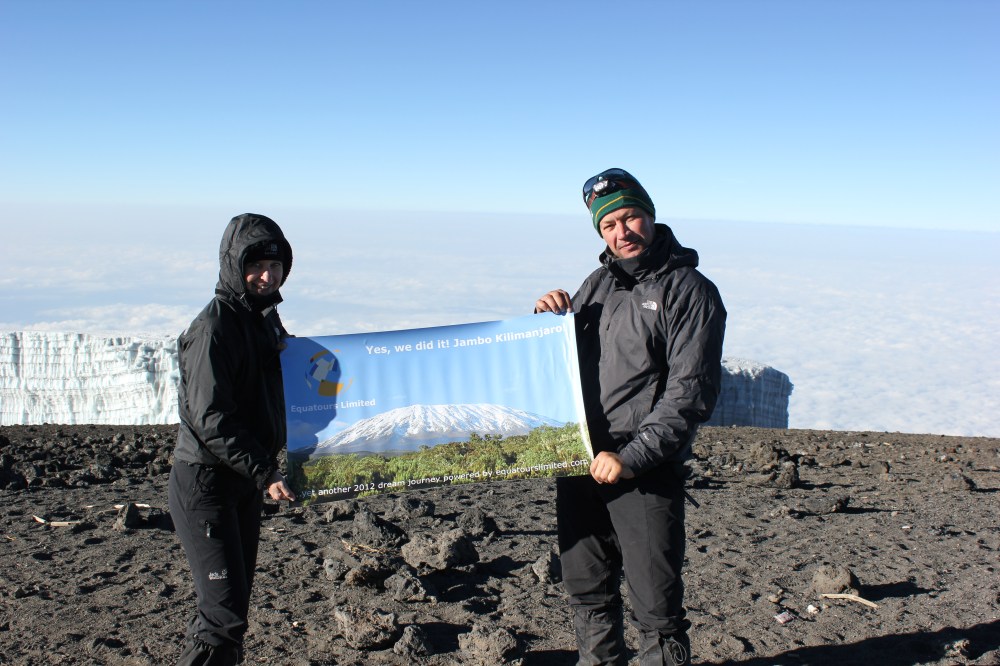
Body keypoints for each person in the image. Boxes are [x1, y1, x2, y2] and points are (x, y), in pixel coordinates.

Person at [534, 169, 726, 666]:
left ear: (651, 214)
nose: (622, 232)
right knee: (587, 590)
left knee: (655, 606)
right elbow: (562, 370)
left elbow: (690, 394)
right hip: (581, 463)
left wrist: (631, 457)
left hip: (644, 471)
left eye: (631, 217)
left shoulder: (690, 291)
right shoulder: (596, 285)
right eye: (609, 225)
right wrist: (547, 323)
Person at [168, 213, 297, 665]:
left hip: (240, 483)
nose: (267, 276)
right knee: (222, 617)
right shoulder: (214, 328)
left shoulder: (262, 320)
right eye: (256, 265)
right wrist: (265, 470)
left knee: (229, 612)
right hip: (207, 485)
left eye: (276, 266)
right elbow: (210, 417)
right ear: (234, 265)